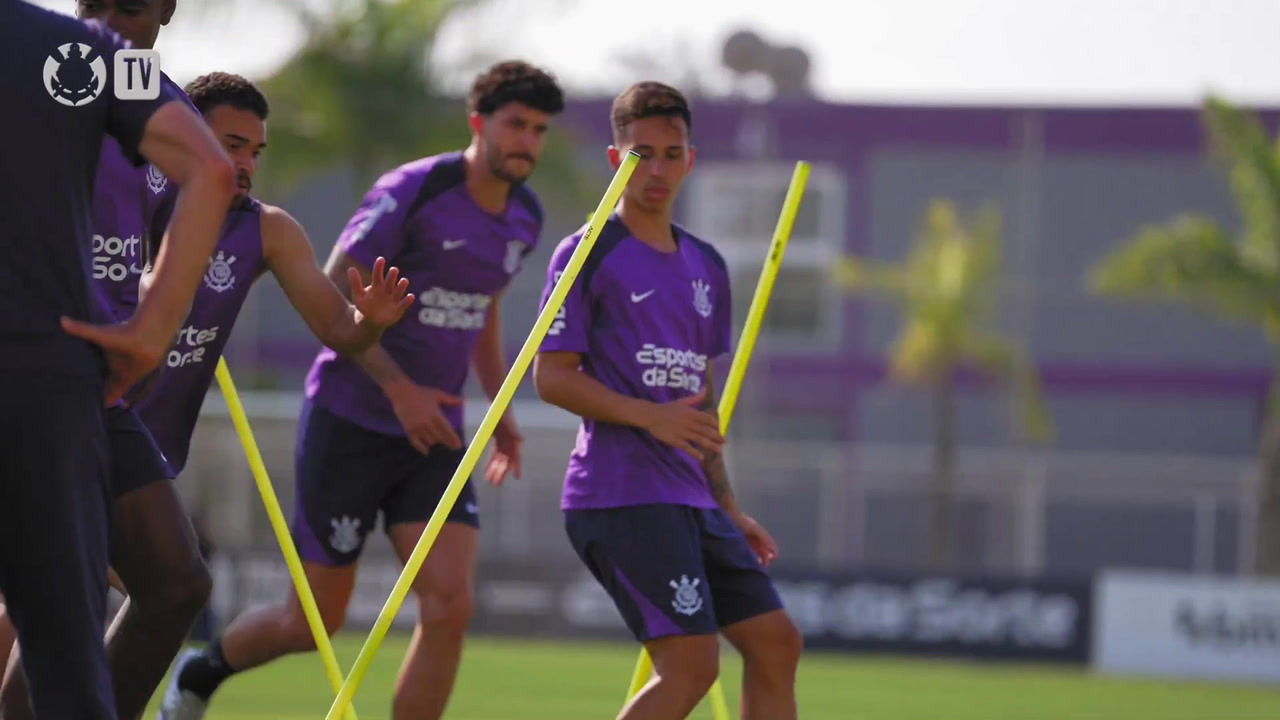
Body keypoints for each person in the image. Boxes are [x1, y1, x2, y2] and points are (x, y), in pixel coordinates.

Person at [1, 68, 412, 720]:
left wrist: (371, 323)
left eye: (255, 150)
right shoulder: (130, 196)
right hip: (72, 433)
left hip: (146, 457)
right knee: (82, 594)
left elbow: (338, 329)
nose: (245, 163)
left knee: (93, 599)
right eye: (230, 143)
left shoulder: (267, 231)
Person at [161, 59, 566, 720]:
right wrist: (399, 387)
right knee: (310, 621)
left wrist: (498, 404)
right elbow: (335, 288)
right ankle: (202, 669)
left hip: (435, 432)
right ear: (478, 123)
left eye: (539, 129)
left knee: (450, 602)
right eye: (515, 124)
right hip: (350, 420)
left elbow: (482, 309)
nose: (527, 140)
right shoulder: (414, 189)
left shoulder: (525, 216)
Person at [531, 82, 803, 720]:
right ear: (614, 158)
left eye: (670, 153)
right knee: (692, 665)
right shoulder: (585, 253)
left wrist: (729, 505)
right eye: (640, 154)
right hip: (620, 494)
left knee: (776, 642)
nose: (656, 170)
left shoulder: (706, 266)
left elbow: (699, 410)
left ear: (690, 158)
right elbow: (551, 377)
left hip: (692, 498)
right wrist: (650, 416)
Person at [0, 1, 234, 717]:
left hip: (65, 383)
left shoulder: (97, 56)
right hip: (43, 381)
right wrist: (153, 327)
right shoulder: (82, 50)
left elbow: (214, 174)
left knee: (163, 584)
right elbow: (211, 170)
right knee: (65, 650)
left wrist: (148, 325)